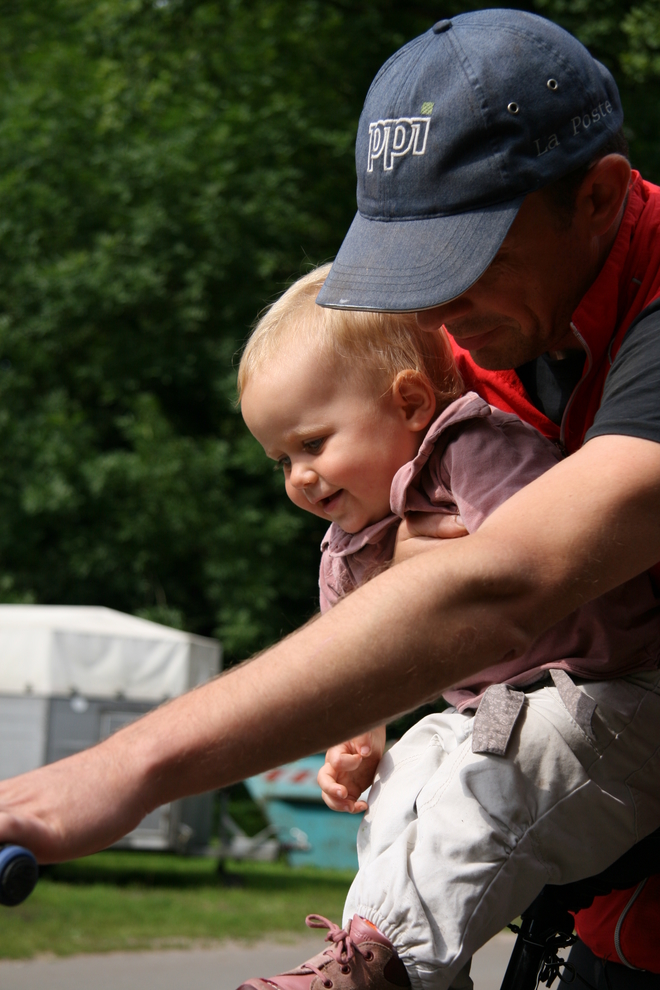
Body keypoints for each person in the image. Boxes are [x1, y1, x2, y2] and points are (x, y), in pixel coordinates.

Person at [1, 5, 660, 982]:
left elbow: (506, 583)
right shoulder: (484, 336)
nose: (430, 315)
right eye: (409, 270)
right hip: (608, 898)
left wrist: (123, 767)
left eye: (464, 264)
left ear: (600, 197)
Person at [236, 264, 660, 990]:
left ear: (407, 402)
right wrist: (359, 737)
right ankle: (387, 955)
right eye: (282, 460)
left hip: (611, 694)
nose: (300, 478)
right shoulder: (347, 545)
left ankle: (386, 959)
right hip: (499, 711)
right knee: (410, 774)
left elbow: (522, 565)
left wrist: (431, 574)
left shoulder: (473, 446)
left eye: (313, 444)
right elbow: (353, 660)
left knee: (496, 774)